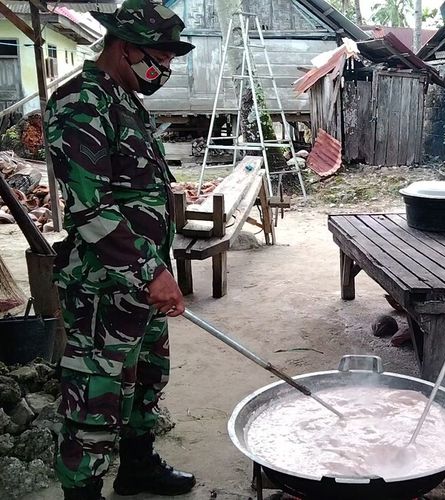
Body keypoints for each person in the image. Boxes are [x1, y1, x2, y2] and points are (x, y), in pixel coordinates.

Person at [44, 1, 195, 498]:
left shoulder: (125, 99)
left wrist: (156, 268)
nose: (166, 68)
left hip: (139, 279)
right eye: (160, 55)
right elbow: (93, 209)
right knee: (95, 392)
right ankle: (82, 491)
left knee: (146, 378)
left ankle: (137, 468)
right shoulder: (81, 103)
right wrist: (153, 272)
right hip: (102, 286)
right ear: (124, 45)